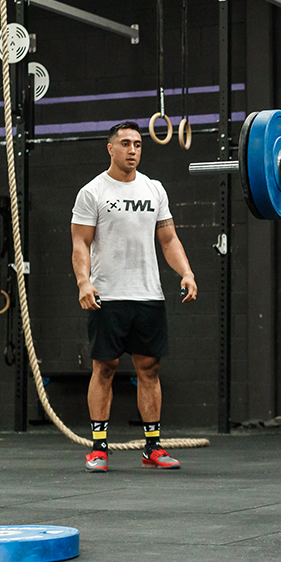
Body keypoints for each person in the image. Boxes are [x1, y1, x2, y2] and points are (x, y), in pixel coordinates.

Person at [71, 121, 198, 473]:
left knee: (149, 370)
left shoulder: (154, 189)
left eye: (138, 144)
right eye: (125, 143)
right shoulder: (92, 192)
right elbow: (80, 243)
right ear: (110, 148)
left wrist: (185, 272)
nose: (133, 150)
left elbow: (169, 240)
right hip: (107, 295)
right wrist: (84, 282)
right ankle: (98, 449)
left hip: (148, 295)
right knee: (105, 368)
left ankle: (153, 447)